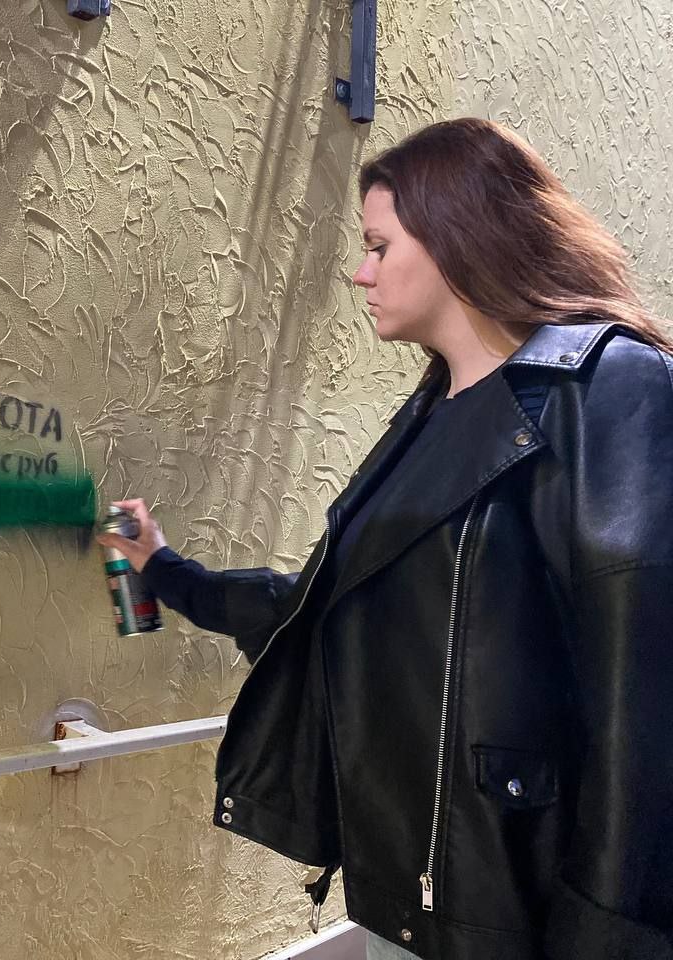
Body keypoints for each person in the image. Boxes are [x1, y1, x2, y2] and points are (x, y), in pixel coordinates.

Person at [98, 118, 673, 960]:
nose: (360, 272)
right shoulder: (431, 414)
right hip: (406, 889)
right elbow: (329, 612)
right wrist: (166, 569)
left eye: (378, 246)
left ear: (458, 235)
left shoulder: (611, 385)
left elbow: (644, 698)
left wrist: (609, 935)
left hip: (522, 914)